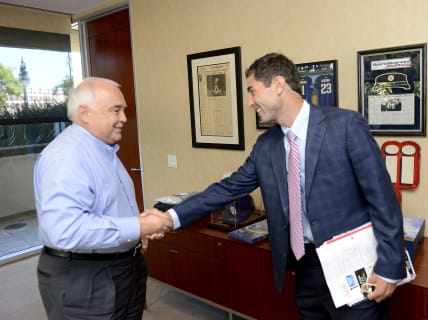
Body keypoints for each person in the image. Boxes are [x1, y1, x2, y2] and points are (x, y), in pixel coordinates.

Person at [155, 52, 406, 319]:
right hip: (305, 267)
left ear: (277, 84)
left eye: (252, 91)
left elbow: (382, 199)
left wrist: (390, 266)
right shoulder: (266, 146)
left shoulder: (345, 126)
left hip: (353, 264)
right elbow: (228, 189)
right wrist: (170, 217)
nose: (250, 102)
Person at [34, 77, 172, 320]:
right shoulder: (67, 156)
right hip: (85, 277)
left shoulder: (102, 150)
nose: (123, 118)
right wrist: (137, 226)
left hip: (124, 267)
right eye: (115, 110)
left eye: (123, 110)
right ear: (85, 113)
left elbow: (107, 206)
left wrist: (136, 233)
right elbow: (65, 230)